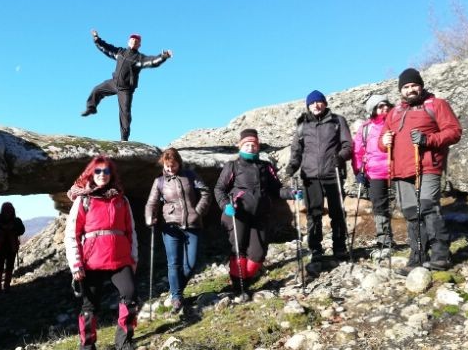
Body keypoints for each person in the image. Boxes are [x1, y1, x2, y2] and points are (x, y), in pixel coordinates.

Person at [64, 155, 146, 350]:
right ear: (91, 174)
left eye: (106, 171)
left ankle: (124, 343)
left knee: (130, 296)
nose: (102, 175)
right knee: (89, 308)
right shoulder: (83, 200)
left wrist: (133, 258)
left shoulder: (121, 200)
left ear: (111, 174)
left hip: (120, 259)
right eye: (98, 171)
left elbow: (131, 231)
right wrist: (76, 265)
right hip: (91, 262)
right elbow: (72, 234)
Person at [380, 68, 462, 271]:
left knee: (428, 207)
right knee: (411, 213)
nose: (410, 90)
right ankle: (417, 257)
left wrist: (428, 139)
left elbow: (454, 131)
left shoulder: (436, 104)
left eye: (414, 85)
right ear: (401, 90)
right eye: (406, 87)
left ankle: (441, 256)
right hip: (400, 171)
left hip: (427, 165)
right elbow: (382, 143)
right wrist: (383, 141)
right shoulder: (394, 112)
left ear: (421, 86)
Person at [215, 129, 296, 291]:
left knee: (258, 254)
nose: (250, 147)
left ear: (258, 146)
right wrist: (225, 205)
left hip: (260, 215)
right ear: (240, 146)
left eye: (253, 145)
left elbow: (276, 190)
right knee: (238, 250)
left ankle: (246, 278)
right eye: (247, 144)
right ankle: (239, 286)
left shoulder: (266, 167)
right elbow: (219, 189)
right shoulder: (233, 166)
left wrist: (291, 193)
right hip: (237, 214)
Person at [284, 90, 353, 264]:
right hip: (310, 176)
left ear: (325, 103)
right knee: (313, 214)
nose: (316, 105)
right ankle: (315, 250)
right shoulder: (302, 125)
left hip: (333, 173)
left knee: (337, 212)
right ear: (308, 106)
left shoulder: (337, 121)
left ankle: (340, 247)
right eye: (312, 103)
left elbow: (348, 145)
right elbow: (296, 150)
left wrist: (341, 157)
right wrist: (292, 166)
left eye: (319, 102)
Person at [144, 147, 211, 313]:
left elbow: (206, 192)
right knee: (173, 263)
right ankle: (176, 298)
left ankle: (176, 290)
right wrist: (149, 217)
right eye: (167, 166)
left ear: (179, 163)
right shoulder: (159, 182)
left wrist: (198, 211)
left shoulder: (190, 175)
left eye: (173, 165)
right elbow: (152, 203)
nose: (170, 169)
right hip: (170, 226)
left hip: (192, 224)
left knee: (191, 264)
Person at [80, 30, 173, 141]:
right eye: (132, 40)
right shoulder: (120, 52)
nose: (134, 41)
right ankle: (91, 108)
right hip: (114, 83)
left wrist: (163, 56)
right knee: (97, 90)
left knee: (125, 113)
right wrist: (96, 39)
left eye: (136, 41)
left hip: (126, 89)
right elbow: (106, 47)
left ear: (139, 45)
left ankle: (124, 138)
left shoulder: (139, 58)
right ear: (128, 42)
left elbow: (152, 61)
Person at [352, 94, 395, 259]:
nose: (385, 108)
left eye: (386, 104)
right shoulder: (365, 128)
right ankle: (384, 242)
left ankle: (417, 240)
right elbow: (357, 152)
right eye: (380, 106)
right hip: (375, 173)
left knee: (406, 205)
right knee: (379, 207)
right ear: (372, 109)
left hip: (397, 170)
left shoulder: (396, 122)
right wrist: (358, 172)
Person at [0, 202, 25, 292]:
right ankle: (0, 287)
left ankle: (4, 286)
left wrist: (13, 230)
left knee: (8, 267)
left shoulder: (14, 221)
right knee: (0, 267)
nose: (8, 212)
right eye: (6, 210)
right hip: (3, 246)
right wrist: (1, 231)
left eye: (9, 210)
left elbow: (21, 230)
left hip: (10, 246)